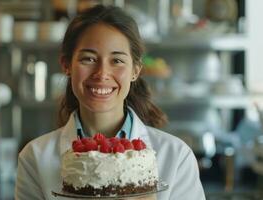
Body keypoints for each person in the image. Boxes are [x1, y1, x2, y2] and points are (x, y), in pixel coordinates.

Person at [15, 5, 206, 200]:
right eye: (88, 59)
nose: (102, 74)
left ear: (135, 71)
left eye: (117, 61)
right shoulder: (34, 158)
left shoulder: (176, 156)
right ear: (66, 65)